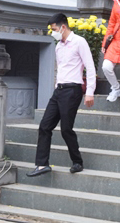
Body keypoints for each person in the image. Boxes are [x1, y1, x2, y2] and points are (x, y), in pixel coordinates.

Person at [27, 13, 97, 177]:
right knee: (45, 126)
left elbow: (90, 67)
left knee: (66, 129)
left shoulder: (80, 42)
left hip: (73, 90)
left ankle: (77, 161)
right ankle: (42, 164)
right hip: (59, 90)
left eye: (54, 29)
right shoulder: (59, 46)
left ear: (63, 27)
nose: (53, 32)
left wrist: (90, 92)